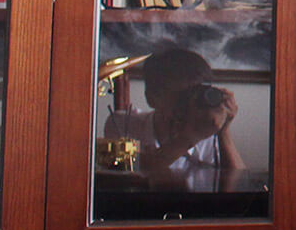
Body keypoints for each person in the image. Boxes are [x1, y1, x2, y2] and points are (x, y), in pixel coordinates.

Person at [103, 48, 245, 188]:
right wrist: (191, 136)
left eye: (196, 94)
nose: (190, 103)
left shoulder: (208, 132)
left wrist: (223, 131)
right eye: (182, 97)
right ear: (151, 97)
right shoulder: (123, 124)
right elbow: (138, 170)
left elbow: (239, 185)